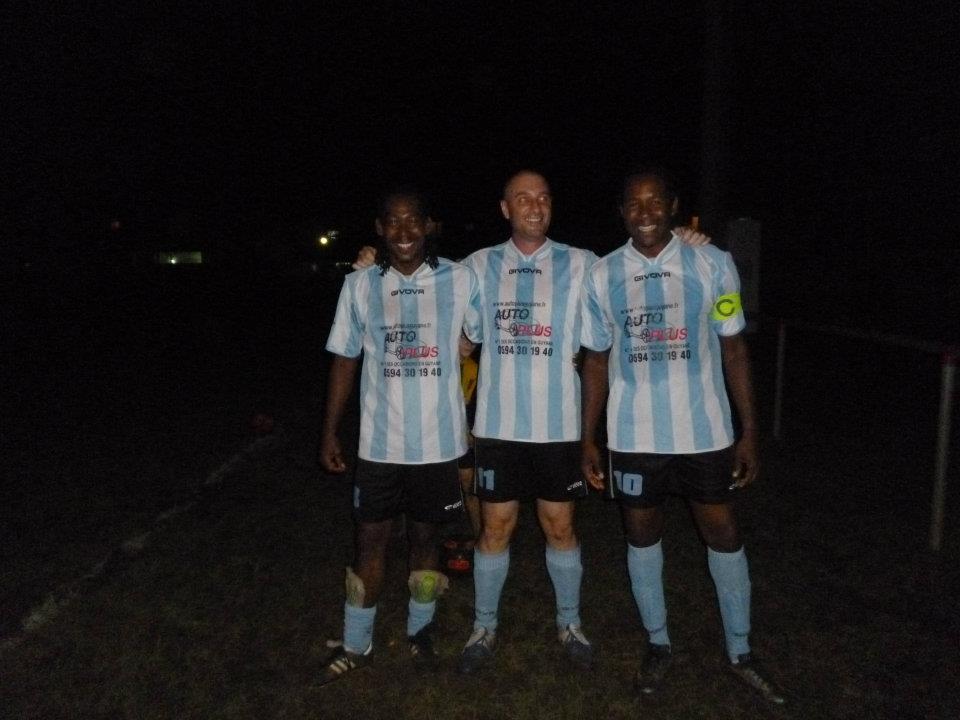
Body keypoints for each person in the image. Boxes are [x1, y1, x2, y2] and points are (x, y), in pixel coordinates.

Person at [457, 170, 709, 674]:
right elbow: (431, 298)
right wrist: (373, 263)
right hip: (498, 428)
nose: (534, 206)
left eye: (543, 197)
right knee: (495, 528)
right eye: (522, 198)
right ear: (505, 209)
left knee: (560, 527)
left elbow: (636, 266)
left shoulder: (584, 264)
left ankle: (570, 623)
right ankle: (483, 627)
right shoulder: (476, 267)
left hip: (560, 429)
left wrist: (683, 239)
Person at [579, 167, 785, 704]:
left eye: (655, 202)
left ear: (673, 205)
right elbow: (595, 360)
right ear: (622, 213)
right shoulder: (602, 274)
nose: (645, 213)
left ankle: (741, 650)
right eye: (633, 204)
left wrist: (749, 432)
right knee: (642, 536)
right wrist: (588, 438)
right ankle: (658, 642)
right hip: (633, 437)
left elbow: (733, 348)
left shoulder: (713, 263)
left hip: (705, 434)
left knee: (723, 534)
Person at [317, 187, 480, 684]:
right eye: (394, 221)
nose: (404, 231)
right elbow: (345, 360)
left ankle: (420, 632)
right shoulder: (359, 285)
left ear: (429, 225)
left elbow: (478, 339)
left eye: (414, 221)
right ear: (380, 228)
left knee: (425, 542)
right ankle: (356, 643)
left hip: (438, 445)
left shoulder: (460, 278)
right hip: (379, 447)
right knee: (370, 543)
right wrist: (329, 432)